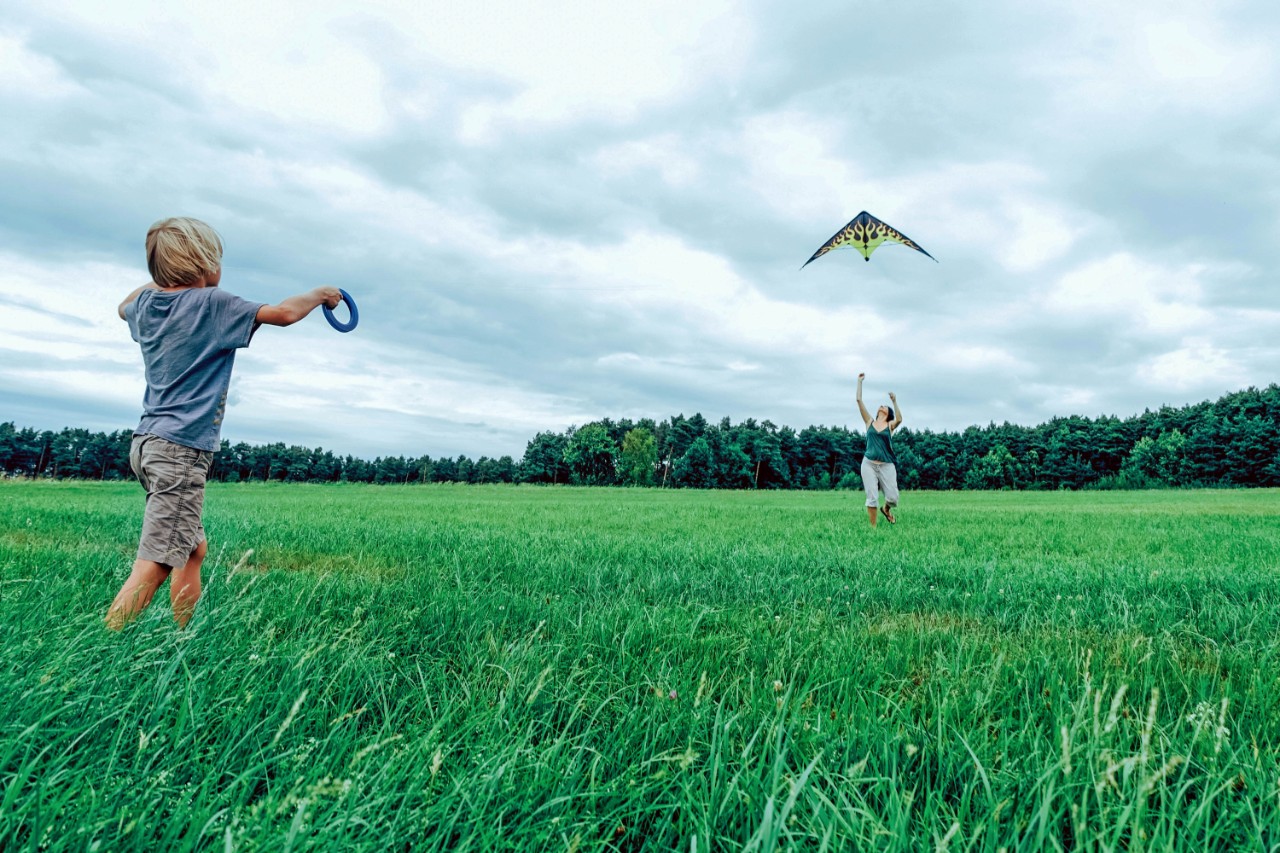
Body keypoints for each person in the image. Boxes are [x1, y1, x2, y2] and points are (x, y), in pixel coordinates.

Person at [105, 217, 342, 630]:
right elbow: (284, 314)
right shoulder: (211, 304)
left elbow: (120, 305)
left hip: (147, 444)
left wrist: (159, 277)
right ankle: (102, 651)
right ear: (203, 265)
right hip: (180, 449)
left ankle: (182, 637)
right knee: (157, 561)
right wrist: (319, 295)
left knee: (192, 550)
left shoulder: (145, 307)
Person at [855, 372, 902, 527]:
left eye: (885, 406)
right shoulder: (869, 421)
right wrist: (859, 382)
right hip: (868, 463)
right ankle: (873, 529)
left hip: (887, 464)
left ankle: (886, 509)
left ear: (888, 414)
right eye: (881, 405)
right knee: (872, 496)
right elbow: (859, 400)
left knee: (893, 498)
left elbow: (900, 419)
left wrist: (894, 401)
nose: (882, 406)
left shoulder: (890, 426)